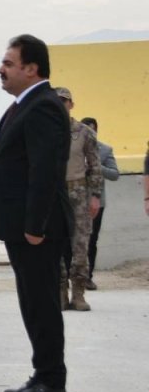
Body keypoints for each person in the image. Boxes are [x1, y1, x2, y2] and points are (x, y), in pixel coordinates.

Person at [0, 34, 71, 392]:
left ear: (31, 68)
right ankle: (42, 373)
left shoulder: (44, 107)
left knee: (42, 303)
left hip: (37, 230)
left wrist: (35, 226)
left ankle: (51, 381)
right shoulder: (24, 105)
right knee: (33, 303)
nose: (0, 70)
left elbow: (44, 172)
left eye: (8, 63)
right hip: (22, 227)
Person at [53, 88, 100, 311]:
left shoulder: (84, 133)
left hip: (79, 192)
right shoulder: (45, 132)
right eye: (56, 101)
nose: (60, 105)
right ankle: (61, 292)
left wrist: (95, 195)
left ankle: (78, 293)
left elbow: (95, 165)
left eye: (64, 101)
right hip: (55, 194)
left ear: (71, 104)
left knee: (80, 244)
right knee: (55, 245)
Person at [79, 117, 119, 290]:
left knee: (91, 239)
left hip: (96, 201)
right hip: (75, 199)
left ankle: (88, 277)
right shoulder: (73, 148)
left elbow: (114, 174)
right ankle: (71, 277)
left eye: (93, 130)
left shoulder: (105, 150)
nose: (90, 134)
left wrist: (95, 166)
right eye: (86, 130)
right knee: (71, 239)